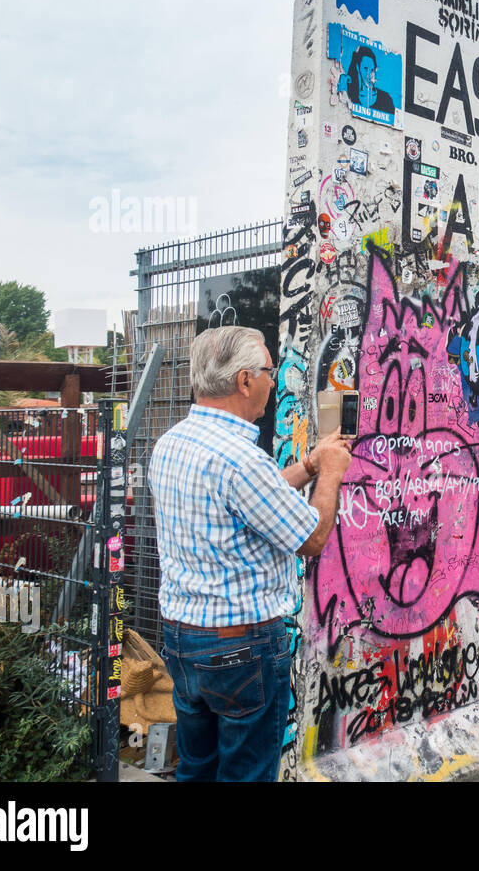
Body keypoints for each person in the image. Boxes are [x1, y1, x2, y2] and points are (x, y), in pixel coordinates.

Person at [149, 326, 352, 781]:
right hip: (241, 648)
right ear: (244, 381)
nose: (273, 380)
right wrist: (331, 474)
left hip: (184, 641)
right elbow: (311, 537)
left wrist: (307, 465)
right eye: (268, 370)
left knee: (197, 768)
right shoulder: (243, 460)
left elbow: (247, 501)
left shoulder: (171, 443)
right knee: (246, 775)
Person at [347, 45, 395, 115]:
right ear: (358, 68)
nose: (368, 74)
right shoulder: (350, 94)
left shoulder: (386, 99)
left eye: (372, 70)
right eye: (365, 68)